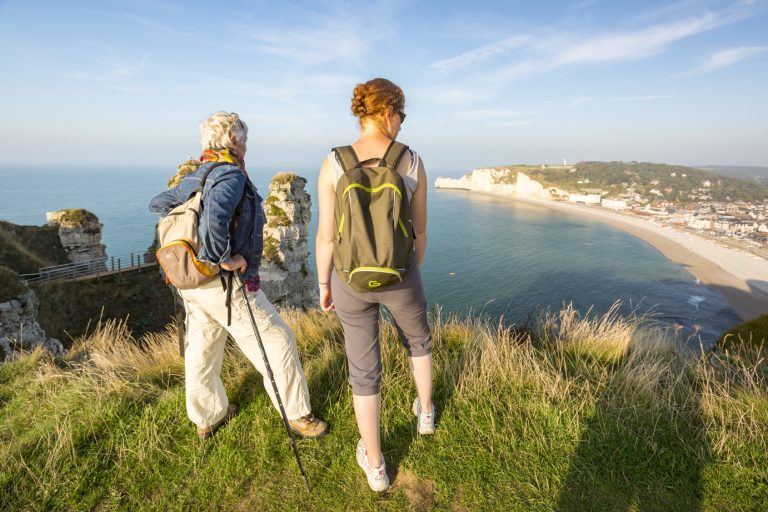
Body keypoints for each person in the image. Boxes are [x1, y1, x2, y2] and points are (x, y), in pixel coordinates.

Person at [149, 111, 328, 441]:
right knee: (277, 340)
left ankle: (209, 417)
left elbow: (159, 204)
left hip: (192, 284)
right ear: (233, 139)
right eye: (244, 139)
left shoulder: (196, 176)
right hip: (222, 284)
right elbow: (216, 220)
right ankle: (298, 416)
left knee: (203, 347)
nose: (246, 146)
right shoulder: (229, 174)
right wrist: (222, 258)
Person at [315, 79, 433, 491]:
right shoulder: (412, 161)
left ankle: (377, 465)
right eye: (401, 114)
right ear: (387, 112)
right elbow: (419, 233)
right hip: (401, 275)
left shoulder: (333, 162)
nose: (401, 122)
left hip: (351, 279)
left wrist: (324, 283)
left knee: (364, 372)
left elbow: (327, 236)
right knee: (419, 340)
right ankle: (426, 414)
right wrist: (406, 272)